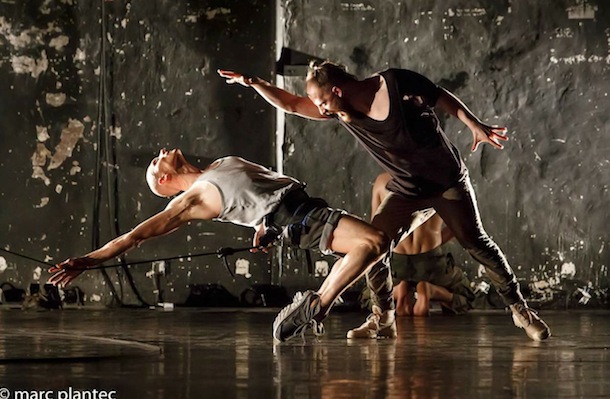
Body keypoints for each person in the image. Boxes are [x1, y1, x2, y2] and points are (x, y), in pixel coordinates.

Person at [218, 62, 551, 341]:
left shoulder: (394, 83)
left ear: (337, 90)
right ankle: (384, 319)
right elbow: (292, 104)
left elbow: (439, 96)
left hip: (447, 182)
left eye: (322, 102)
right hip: (407, 190)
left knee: (477, 243)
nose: (320, 110)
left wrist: (473, 124)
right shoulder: (342, 112)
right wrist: (254, 82)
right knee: (371, 245)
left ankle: (520, 311)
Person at [48, 148, 389, 342]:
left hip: (304, 207)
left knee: (375, 250)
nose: (160, 153)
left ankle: (383, 321)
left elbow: (257, 193)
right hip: (299, 219)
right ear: (164, 180)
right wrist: (87, 260)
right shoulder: (192, 199)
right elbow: (133, 237)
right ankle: (317, 305)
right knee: (375, 241)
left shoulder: (219, 166)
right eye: (156, 162)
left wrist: (261, 227)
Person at [370, 172, 474, 317]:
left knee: (368, 297)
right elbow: (460, 224)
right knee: (466, 298)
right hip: (431, 260)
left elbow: (374, 231)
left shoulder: (382, 181)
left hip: (396, 262)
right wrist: (436, 240)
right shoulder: (442, 178)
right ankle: (431, 291)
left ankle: (396, 292)